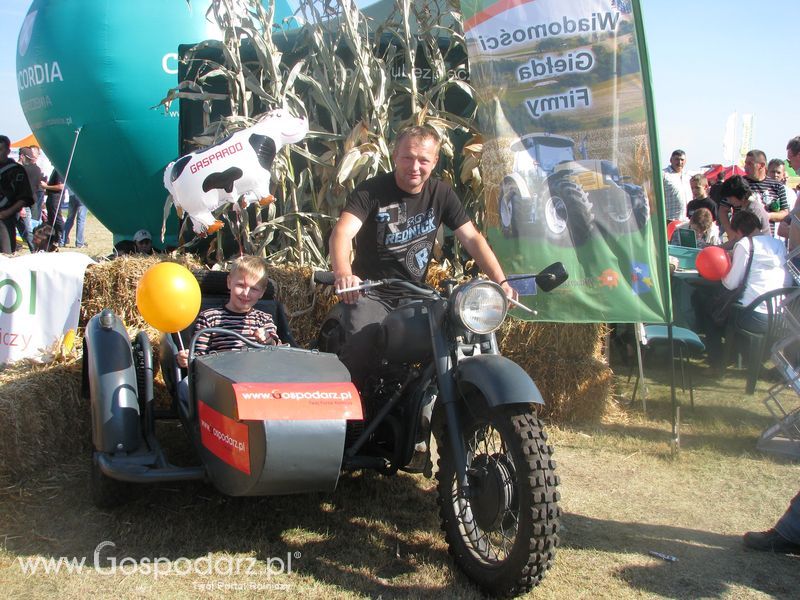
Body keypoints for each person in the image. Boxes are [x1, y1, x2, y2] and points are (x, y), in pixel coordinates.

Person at [329, 125, 517, 389]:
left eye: (423, 160)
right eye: (408, 157)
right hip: (371, 292)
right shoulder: (370, 191)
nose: (414, 166)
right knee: (361, 343)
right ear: (395, 155)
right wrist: (344, 273)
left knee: (456, 335)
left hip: (416, 294)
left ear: (435, 161)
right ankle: (351, 416)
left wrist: (501, 281)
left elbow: (472, 238)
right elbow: (342, 233)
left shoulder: (441, 194)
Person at [175, 256, 280, 400]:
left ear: (262, 292)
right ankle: (198, 421)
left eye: (254, 289)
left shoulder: (263, 319)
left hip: (255, 381)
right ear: (229, 282)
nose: (246, 293)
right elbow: (200, 356)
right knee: (185, 387)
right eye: (240, 285)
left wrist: (267, 339)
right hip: (218, 380)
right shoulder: (209, 317)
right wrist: (187, 359)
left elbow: (276, 345)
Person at [694, 211, 788, 371]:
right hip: (778, 316)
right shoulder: (778, 244)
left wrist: (724, 271)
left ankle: (717, 360)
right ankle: (733, 353)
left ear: (738, 231)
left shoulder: (745, 245)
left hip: (753, 315)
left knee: (708, 309)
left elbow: (731, 283)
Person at [0, 135, 35, 254]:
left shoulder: (16, 170)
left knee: (5, 255)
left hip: (5, 220)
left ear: (8, 151)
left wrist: (6, 213)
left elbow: (25, 197)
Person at [741, 149, 787, 233]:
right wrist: (730, 232)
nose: (745, 167)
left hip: (766, 239)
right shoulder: (740, 183)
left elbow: (785, 213)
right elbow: (723, 209)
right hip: (743, 238)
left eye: (749, 164)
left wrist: (767, 216)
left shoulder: (777, 186)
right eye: (746, 163)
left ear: (761, 165)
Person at [717, 175, 771, 243]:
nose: (728, 201)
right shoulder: (746, 206)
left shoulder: (753, 210)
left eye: (729, 198)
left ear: (739, 194)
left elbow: (744, 240)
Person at [662, 149, 693, 222]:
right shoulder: (663, 174)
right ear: (671, 160)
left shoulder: (687, 176)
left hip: (686, 220)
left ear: (685, 161)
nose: (679, 162)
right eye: (676, 159)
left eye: (682, 160)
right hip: (670, 220)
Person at [41, 169, 66, 244]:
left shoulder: (59, 171)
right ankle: (55, 239)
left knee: (57, 218)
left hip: (56, 198)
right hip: (52, 197)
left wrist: (46, 186)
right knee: (51, 219)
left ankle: (63, 238)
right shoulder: (55, 170)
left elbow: (61, 186)